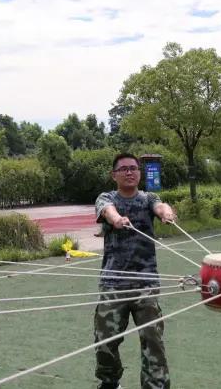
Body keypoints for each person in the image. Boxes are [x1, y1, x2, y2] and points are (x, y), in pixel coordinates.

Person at [94, 153, 176, 389]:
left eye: (133, 168)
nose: (129, 172)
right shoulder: (107, 197)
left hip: (145, 283)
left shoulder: (148, 198)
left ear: (139, 173)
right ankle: (110, 382)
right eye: (124, 169)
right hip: (113, 283)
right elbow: (107, 210)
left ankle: (156, 386)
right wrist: (116, 219)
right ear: (114, 175)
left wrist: (166, 213)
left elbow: (160, 206)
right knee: (104, 342)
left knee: (153, 340)